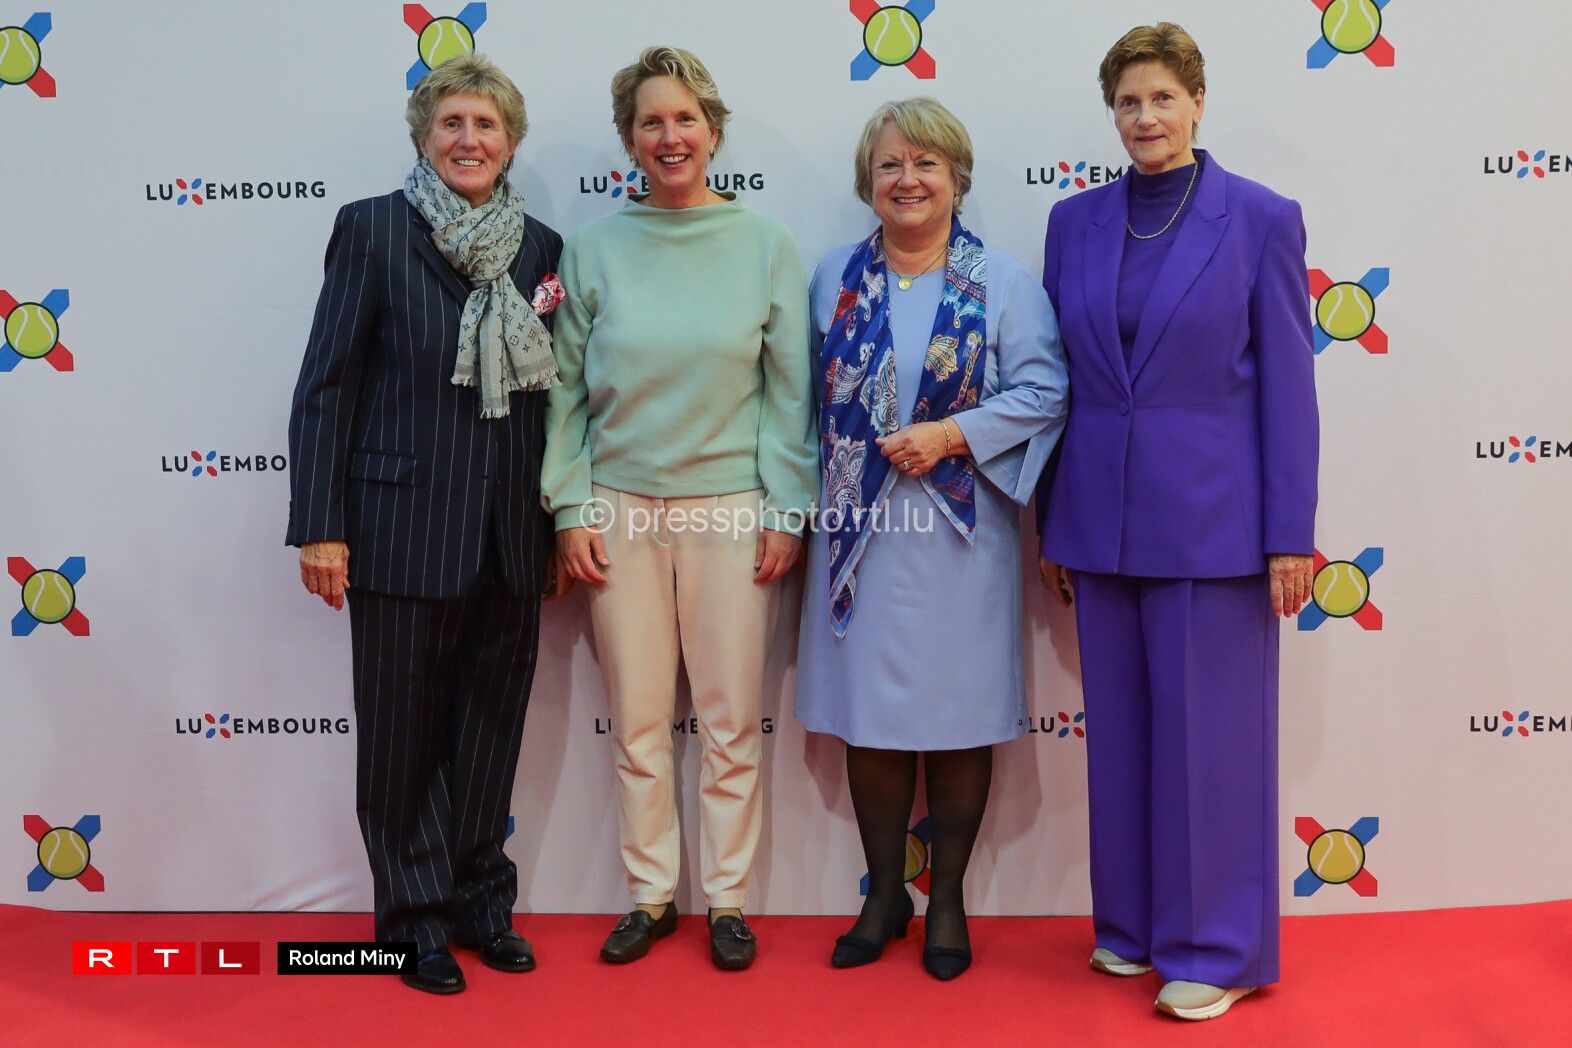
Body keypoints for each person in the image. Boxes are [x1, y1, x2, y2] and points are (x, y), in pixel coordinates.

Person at [1036, 23, 1319, 1020]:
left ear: (1198, 101)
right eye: (1128, 101)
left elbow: (1289, 388)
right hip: (1097, 520)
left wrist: (1289, 534)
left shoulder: (1261, 219)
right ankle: (1134, 926)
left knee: (1211, 746)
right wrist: (1052, 520)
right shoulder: (1073, 222)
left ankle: (1217, 948)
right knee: (1120, 738)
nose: (1145, 117)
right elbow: (1056, 384)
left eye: (1162, 97)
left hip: (1214, 527)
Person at [286, 53, 565, 995]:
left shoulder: (541, 247)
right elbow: (326, 386)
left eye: (486, 125)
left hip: (510, 538)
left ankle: (483, 906)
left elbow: (547, 401)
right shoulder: (371, 229)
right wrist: (319, 524)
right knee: (402, 742)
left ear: (511, 143)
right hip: (400, 530)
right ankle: (412, 923)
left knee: (490, 734)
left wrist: (554, 527)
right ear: (424, 137)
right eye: (452, 123)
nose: (469, 140)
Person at [541, 45, 816, 972]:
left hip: (731, 511)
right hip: (617, 510)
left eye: (685, 118)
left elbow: (790, 395)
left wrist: (786, 509)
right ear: (630, 139)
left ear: (713, 131)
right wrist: (569, 507)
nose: (670, 137)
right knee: (639, 717)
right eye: (651, 122)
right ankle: (651, 897)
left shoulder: (764, 244)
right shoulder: (592, 248)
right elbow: (564, 392)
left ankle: (727, 901)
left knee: (732, 721)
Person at [795, 98, 1069, 981]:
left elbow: (1045, 392)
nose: (907, 180)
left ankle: (946, 898)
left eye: (925, 164)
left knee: (957, 721)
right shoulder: (833, 278)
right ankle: (884, 896)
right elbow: (802, 401)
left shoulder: (1003, 283)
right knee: (870, 721)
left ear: (957, 178)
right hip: (859, 536)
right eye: (890, 165)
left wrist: (950, 435)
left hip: (961, 537)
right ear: (867, 181)